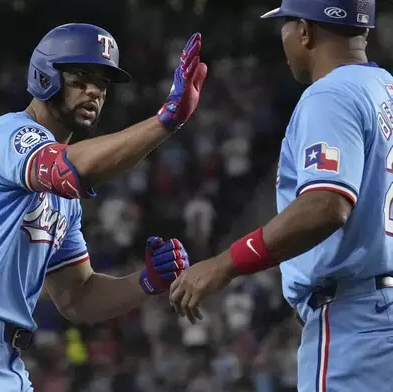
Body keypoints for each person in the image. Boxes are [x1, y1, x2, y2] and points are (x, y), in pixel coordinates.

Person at [0, 23, 207, 391]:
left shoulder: (65, 200)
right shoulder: (8, 133)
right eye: (81, 78)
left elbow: (78, 296)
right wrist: (165, 120)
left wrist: (146, 281)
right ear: (45, 77)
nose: (94, 91)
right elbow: (69, 168)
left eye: (103, 83)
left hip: (3, 358)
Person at [168, 0, 393, 390]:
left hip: (356, 324)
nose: (283, 38)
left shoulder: (331, 95)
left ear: (305, 30)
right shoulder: (385, 87)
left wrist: (223, 264)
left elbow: (326, 205)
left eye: (286, 26)